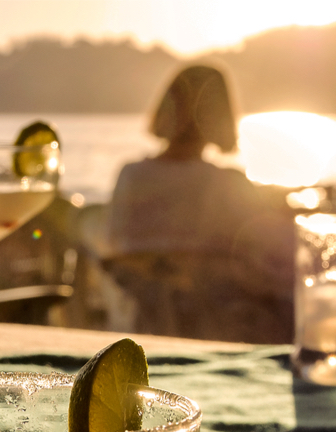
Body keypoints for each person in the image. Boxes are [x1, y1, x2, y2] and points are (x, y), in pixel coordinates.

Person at [105, 64, 295, 342]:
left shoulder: (131, 176)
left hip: (147, 326)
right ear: (221, 116)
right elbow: (279, 259)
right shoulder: (228, 184)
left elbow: (116, 249)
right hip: (226, 330)